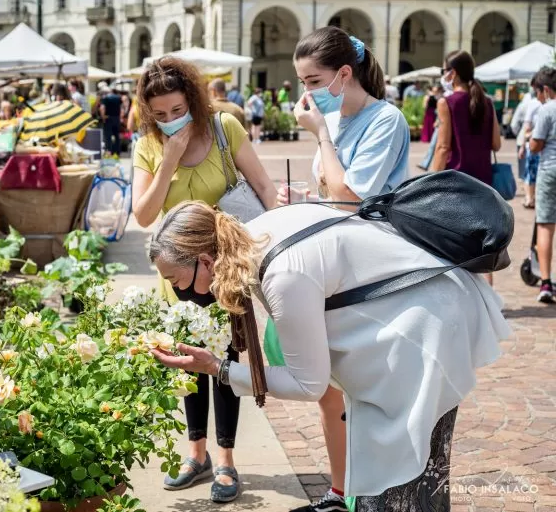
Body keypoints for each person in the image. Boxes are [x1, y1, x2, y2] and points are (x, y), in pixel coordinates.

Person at [149, 200, 509, 512]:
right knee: (398, 479)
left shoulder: (280, 274)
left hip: (424, 332)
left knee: (399, 481)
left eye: (176, 281)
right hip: (421, 320)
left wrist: (218, 368)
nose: (178, 291)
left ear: (205, 260)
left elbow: (307, 383)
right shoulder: (256, 233)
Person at [276, 27, 411, 512]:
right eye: (302, 82)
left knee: (362, 391)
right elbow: (333, 196)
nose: (305, 93)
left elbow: (352, 197)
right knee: (330, 393)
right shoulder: (336, 119)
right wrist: (304, 199)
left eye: (313, 81)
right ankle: (340, 491)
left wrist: (323, 137)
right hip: (334, 267)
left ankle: (367, 494)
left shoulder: (385, 119)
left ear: (344, 75)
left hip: (371, 271)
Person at [132, 56, 276, 503]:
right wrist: (168, 159)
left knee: (223, 366)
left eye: (177, 109)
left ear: (192, 99)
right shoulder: (149, 147)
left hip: (223, 273)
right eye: (160, 114)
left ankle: (227, 460)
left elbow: (265, 189)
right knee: (184, 363)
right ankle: (197, 455)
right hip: (175, 277)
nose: (171, 120)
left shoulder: (223, 129)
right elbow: (143, 215)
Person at [430, 50, 501, 285]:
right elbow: (496, 144)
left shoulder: (447, 103)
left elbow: (442, 147)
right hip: (484, 179)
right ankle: (488, 296)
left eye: (444, 71)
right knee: (483, 244)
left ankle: (465, 297)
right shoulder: (486, 102)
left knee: (455, 242)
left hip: (456, 182)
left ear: (453, 73)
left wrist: (430, 180)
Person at [529, 66, 556, 303]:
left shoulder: (547, 110)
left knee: (546, 225)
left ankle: (546, 282)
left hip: (550, 170)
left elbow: (536, 145)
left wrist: (530, 140)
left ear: (546, 89)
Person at [519, 76, 544, 209]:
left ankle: (532, 199)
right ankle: (530, 198)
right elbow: (526, 127)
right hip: (533, 145)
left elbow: (527, 127)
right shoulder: (533, 104)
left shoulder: (537, 104)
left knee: (532, 174)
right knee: (530, 173)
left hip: (536, 146)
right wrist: (523, 145)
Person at [100, 87, 123, 156]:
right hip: (117, 118)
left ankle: (109, 151)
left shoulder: (105, 98)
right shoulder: (118, 98)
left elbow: (102, 108)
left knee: (108, 136)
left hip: (108, 118)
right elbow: (122, 107)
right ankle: (117, 151)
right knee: (117, 136)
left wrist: (103, 117)